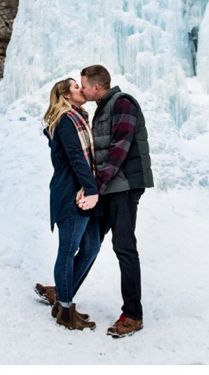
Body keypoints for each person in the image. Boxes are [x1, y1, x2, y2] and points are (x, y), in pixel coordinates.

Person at [79, 64, 153, 338]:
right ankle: (64, 292)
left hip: (123, 188)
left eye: (84, 85)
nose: (82, 89)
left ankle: (133, 315)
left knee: (124, 247)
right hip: (110, 187)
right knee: (88, 241)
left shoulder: (122, 104)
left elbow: (119, 150)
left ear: (96, 87)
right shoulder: (104, 107)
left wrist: (95, 186)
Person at [35, 78, 101, 331]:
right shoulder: (65, 120)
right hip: (72, 192)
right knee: (68, 249)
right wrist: (91, 188)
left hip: (85, 190)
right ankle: (65, 309)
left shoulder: (80, 117)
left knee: (91, 247)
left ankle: (62, 300)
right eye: (76, 87)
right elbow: (75, 156)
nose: (81, 90)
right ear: (64, 95)